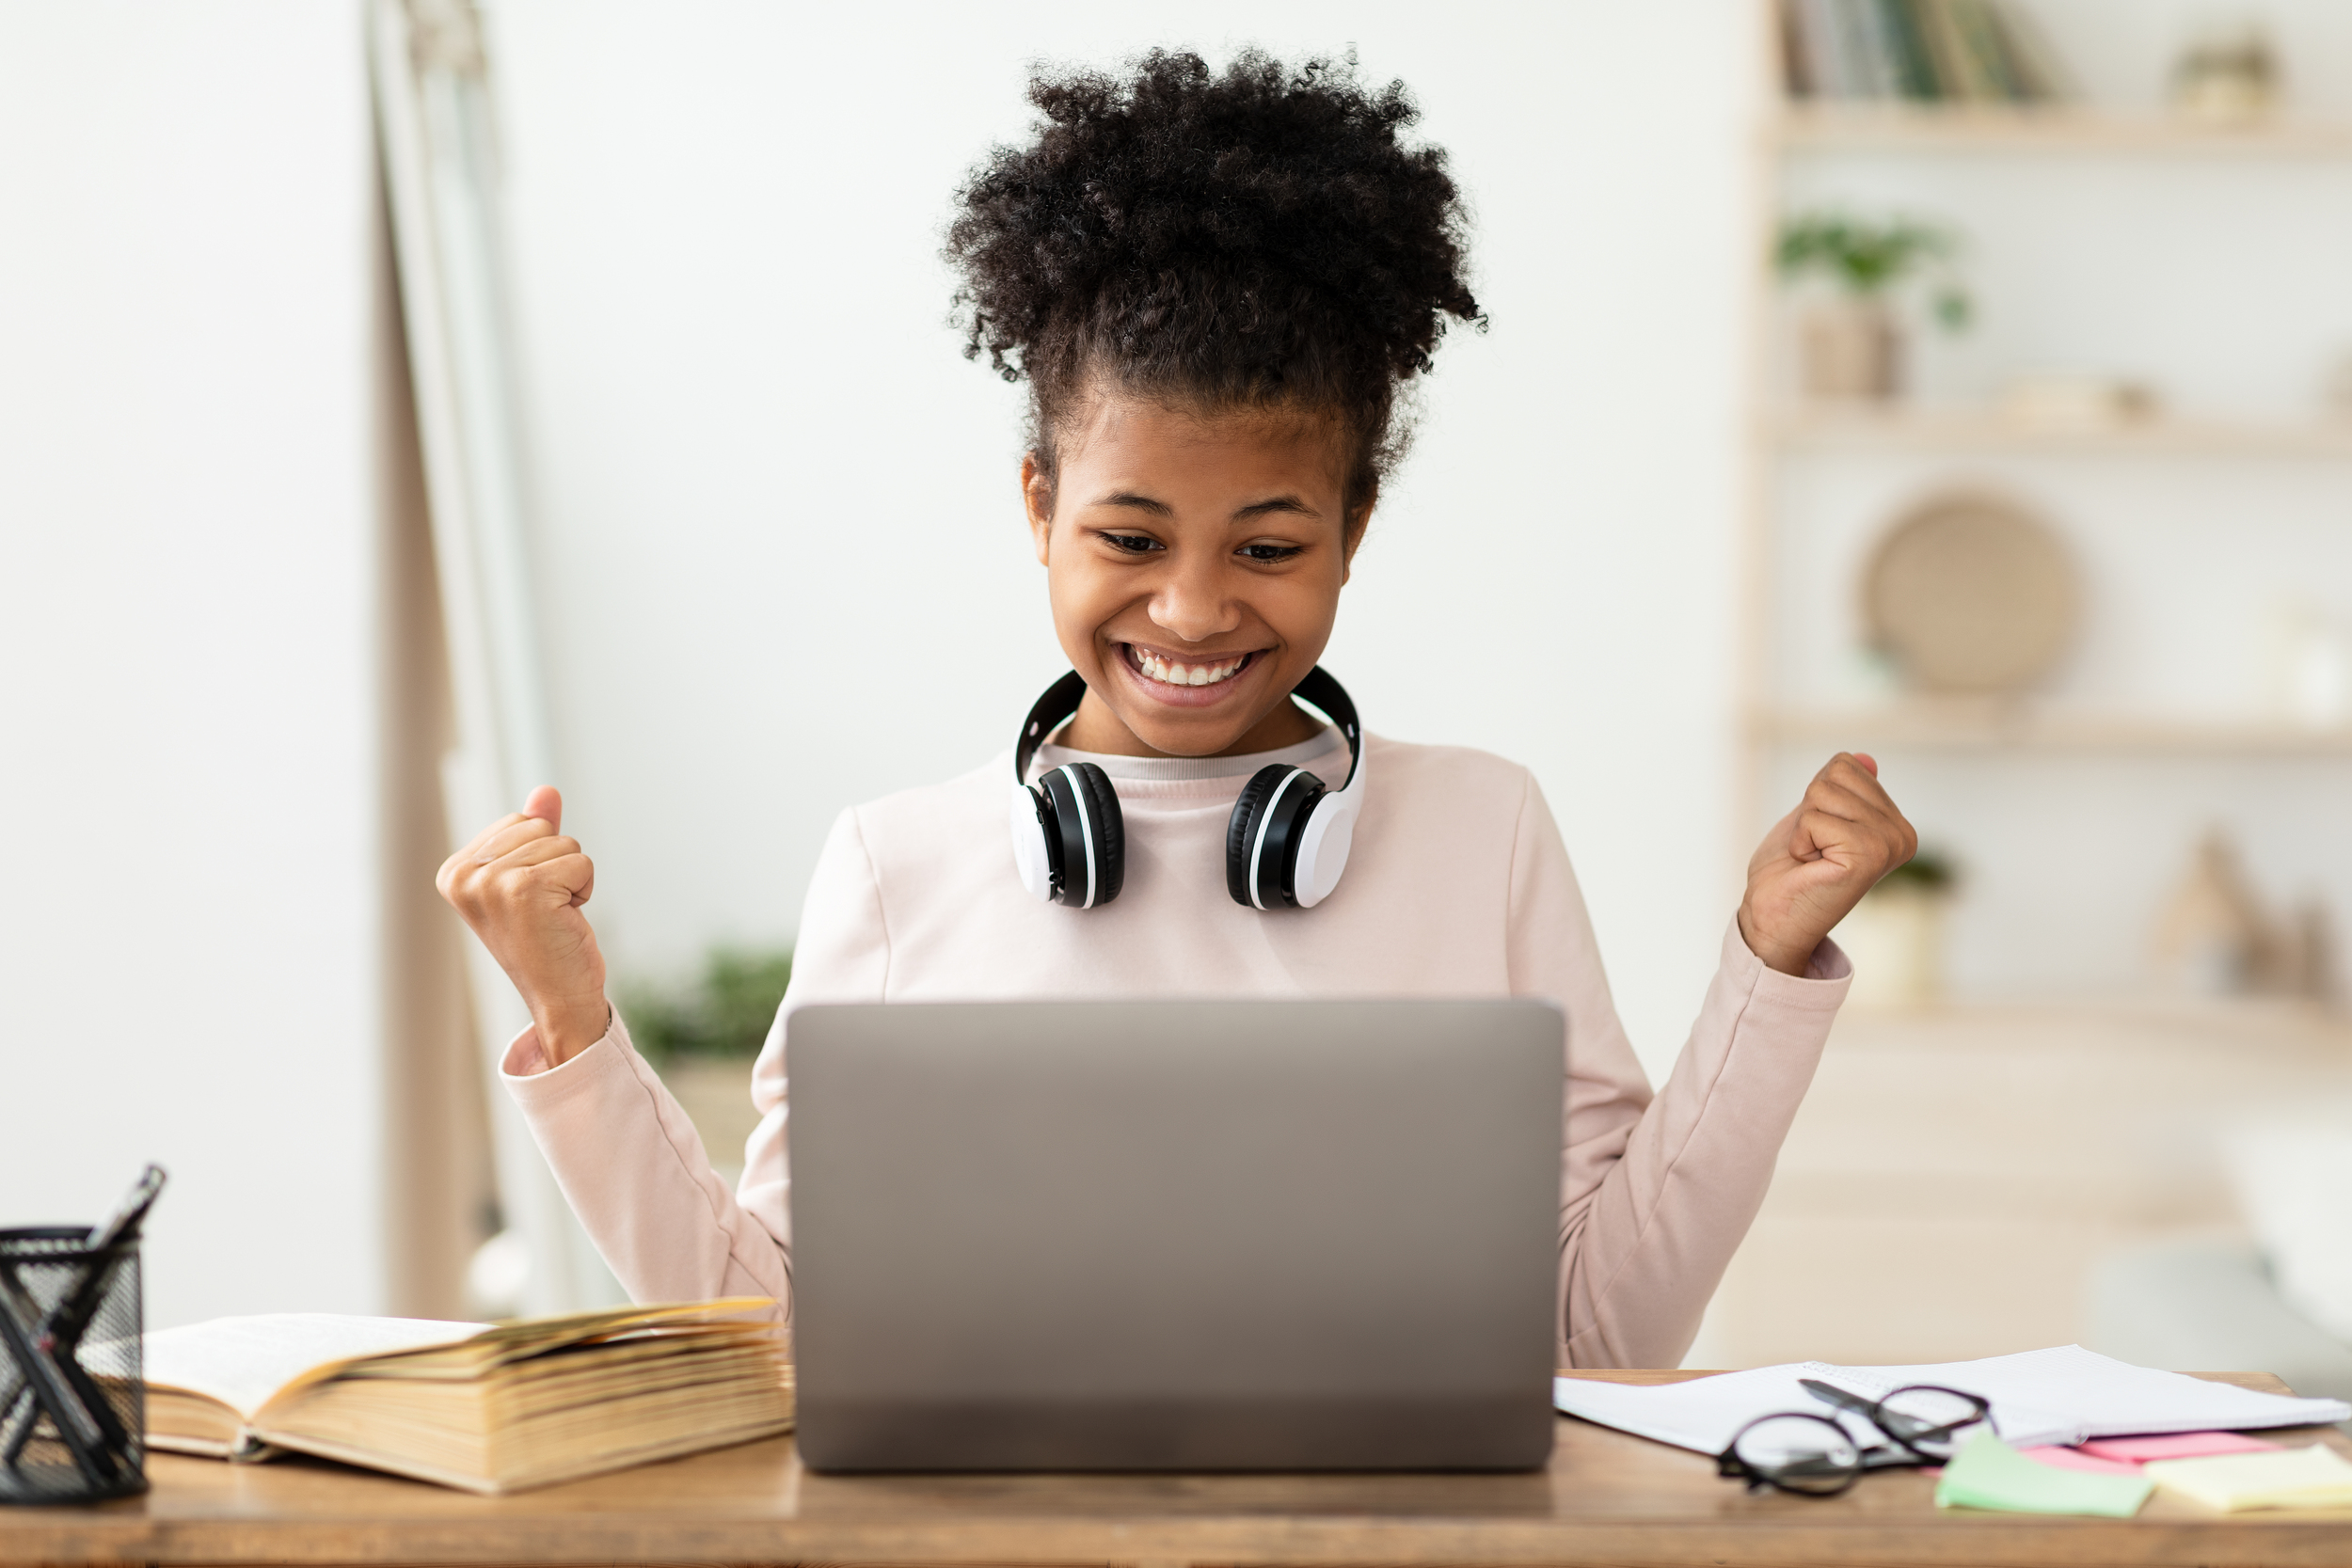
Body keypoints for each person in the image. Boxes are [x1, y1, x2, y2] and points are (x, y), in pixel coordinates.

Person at [437, 50, 1915, 1370]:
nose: (1197, 611)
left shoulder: (1484, 831)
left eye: (1269, 548)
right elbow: (773, 1343)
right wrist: (575, 1025)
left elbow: (1604, 1334)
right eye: (1130, 540)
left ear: (1355, 524)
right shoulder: (896, 869)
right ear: (1039, 506)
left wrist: (1768, 965)